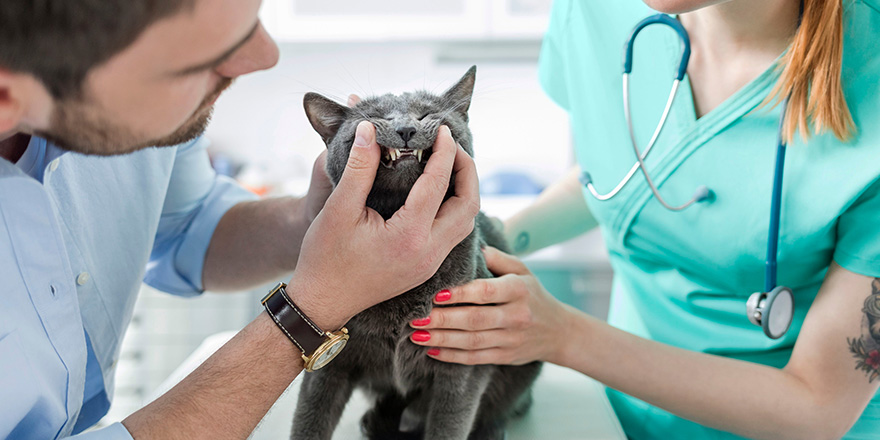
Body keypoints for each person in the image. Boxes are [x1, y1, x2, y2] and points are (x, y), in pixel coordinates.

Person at [0, 0, 479, 438]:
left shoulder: (142, 115)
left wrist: (311, 222)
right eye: (196, 51)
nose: (264, 55)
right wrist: (314, 307)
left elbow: (190, 222)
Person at [408, 0, 880, 438]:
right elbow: (625, 174)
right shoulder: (595, 12)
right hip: (618, 415)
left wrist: (562, 335)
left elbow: (817, 407)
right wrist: (478, 244)